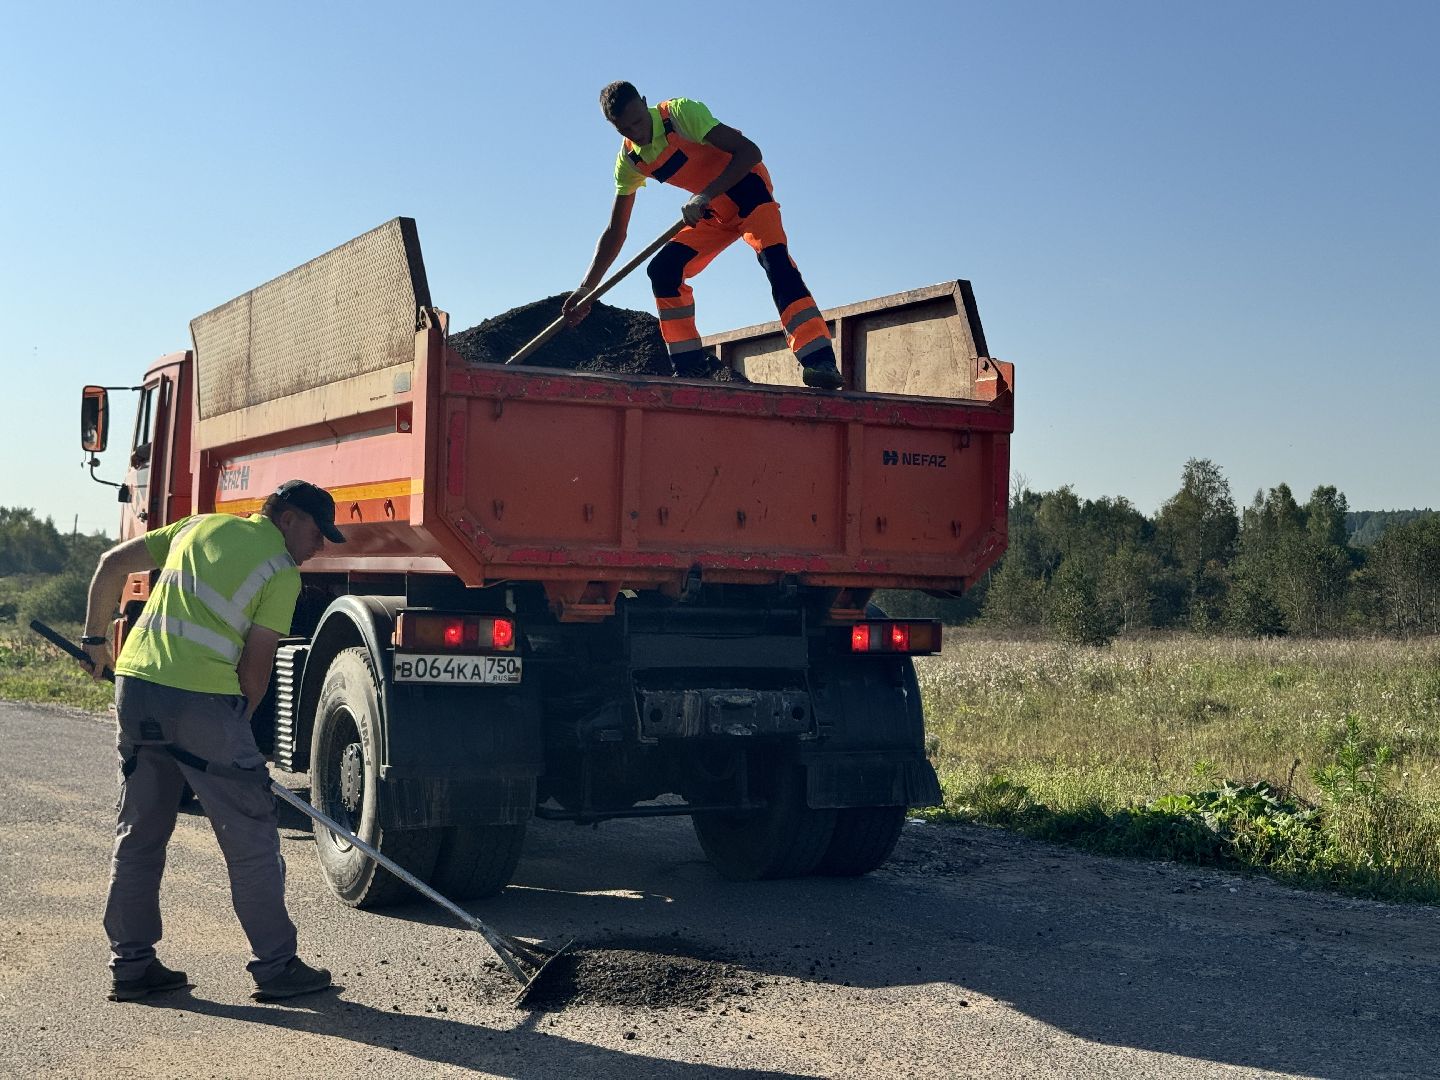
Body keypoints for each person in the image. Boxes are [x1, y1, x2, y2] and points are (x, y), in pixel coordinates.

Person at [81, 479, 344, 1003]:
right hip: (202, 702)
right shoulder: (280, 571)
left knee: (139, 834)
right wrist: (239, 728)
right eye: (318, 532)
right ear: (288, 518)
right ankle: (276, 967)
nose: (320, 546)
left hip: (136, 690)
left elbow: (111, 564)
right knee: (251, 837)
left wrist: (94, 640)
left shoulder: (197, 526)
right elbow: (256, 667)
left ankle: (131, 966)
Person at [562, 80, 844, 390]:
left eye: (638, 121)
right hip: (713, 213)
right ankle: (690, 368)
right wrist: (586, 289)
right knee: (664, 270)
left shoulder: (680, 114)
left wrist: (705, 195)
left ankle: (819, 360)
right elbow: (616, 231)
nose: (636, 133)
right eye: (624, 129)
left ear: (644, 102)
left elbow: (750, 152)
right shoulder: (630, 160)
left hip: (749, 194)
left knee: (775, 260)